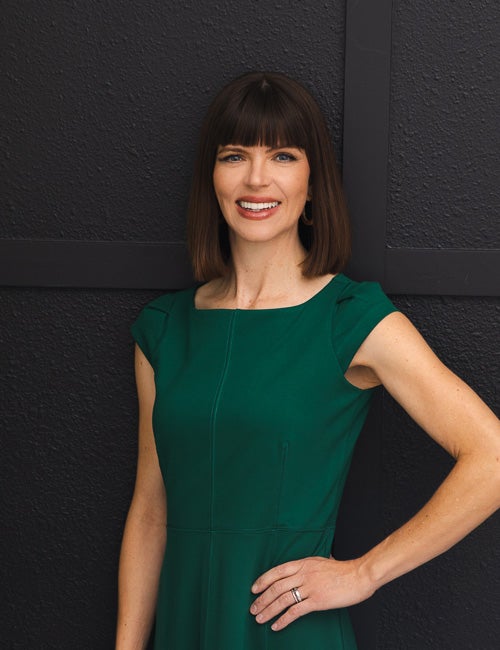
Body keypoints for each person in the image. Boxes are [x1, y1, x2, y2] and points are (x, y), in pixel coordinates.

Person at [115, 71, 500, 649]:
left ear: (314, 181)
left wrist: (364, 573)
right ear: (212, 177)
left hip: (287, 631)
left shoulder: (349, 318)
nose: (256, 178)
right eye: (234, 155)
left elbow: (492, 458)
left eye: (284, 155)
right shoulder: (165, 331)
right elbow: (151, 510)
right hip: (183, 624)